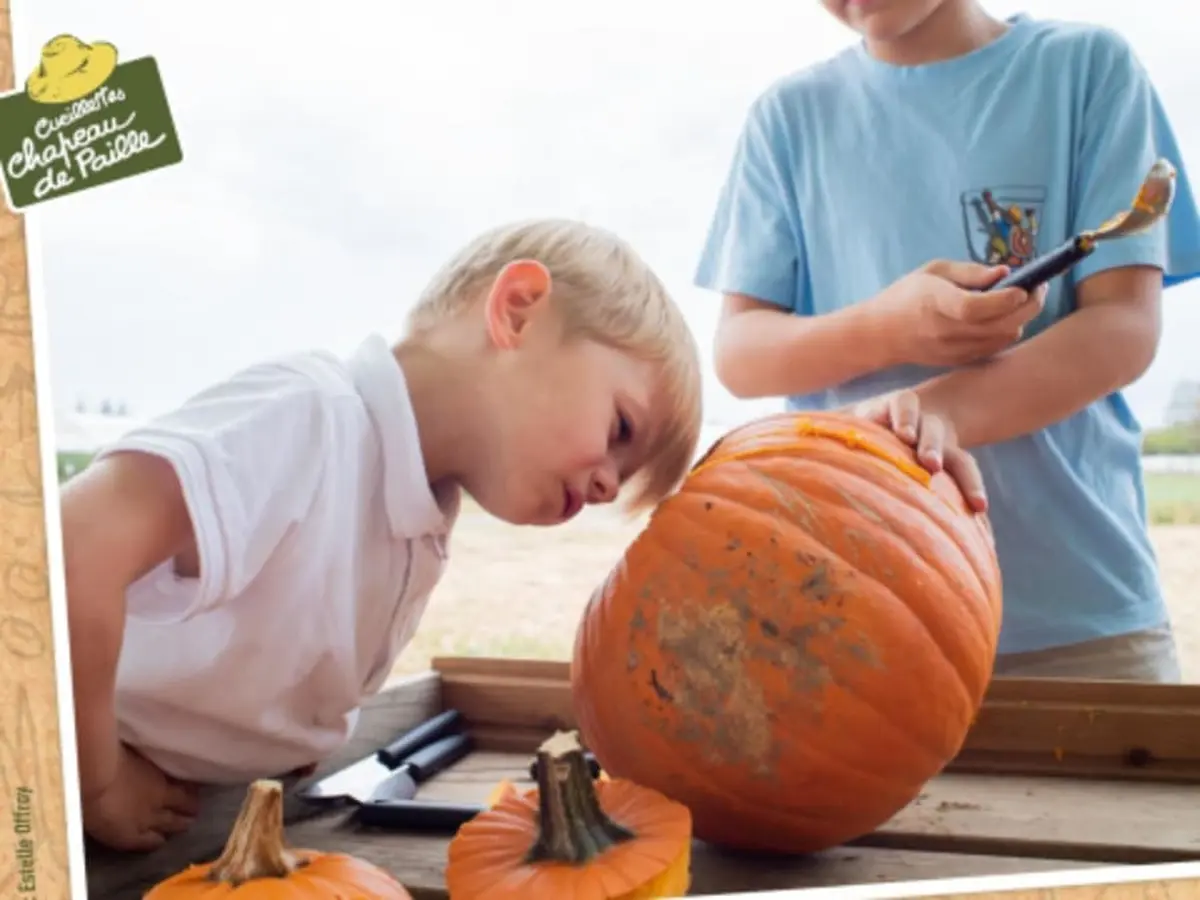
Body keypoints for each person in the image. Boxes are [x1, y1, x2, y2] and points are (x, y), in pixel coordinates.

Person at [63, 218, 712, 852]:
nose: (606, 489)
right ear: (518, 311)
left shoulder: (420, 520)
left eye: (622, 483)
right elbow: (68, 554)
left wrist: (288, 737)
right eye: (621, 430)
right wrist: (95, 783)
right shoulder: (309, 419)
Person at [695, 1, 1200, 683]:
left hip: (1082, 617)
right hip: (853, 629)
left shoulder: (1086, 69)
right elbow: (741, 353)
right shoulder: (787, 118)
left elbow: (1123, 330)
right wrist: (890, 327)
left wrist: (931, 413)